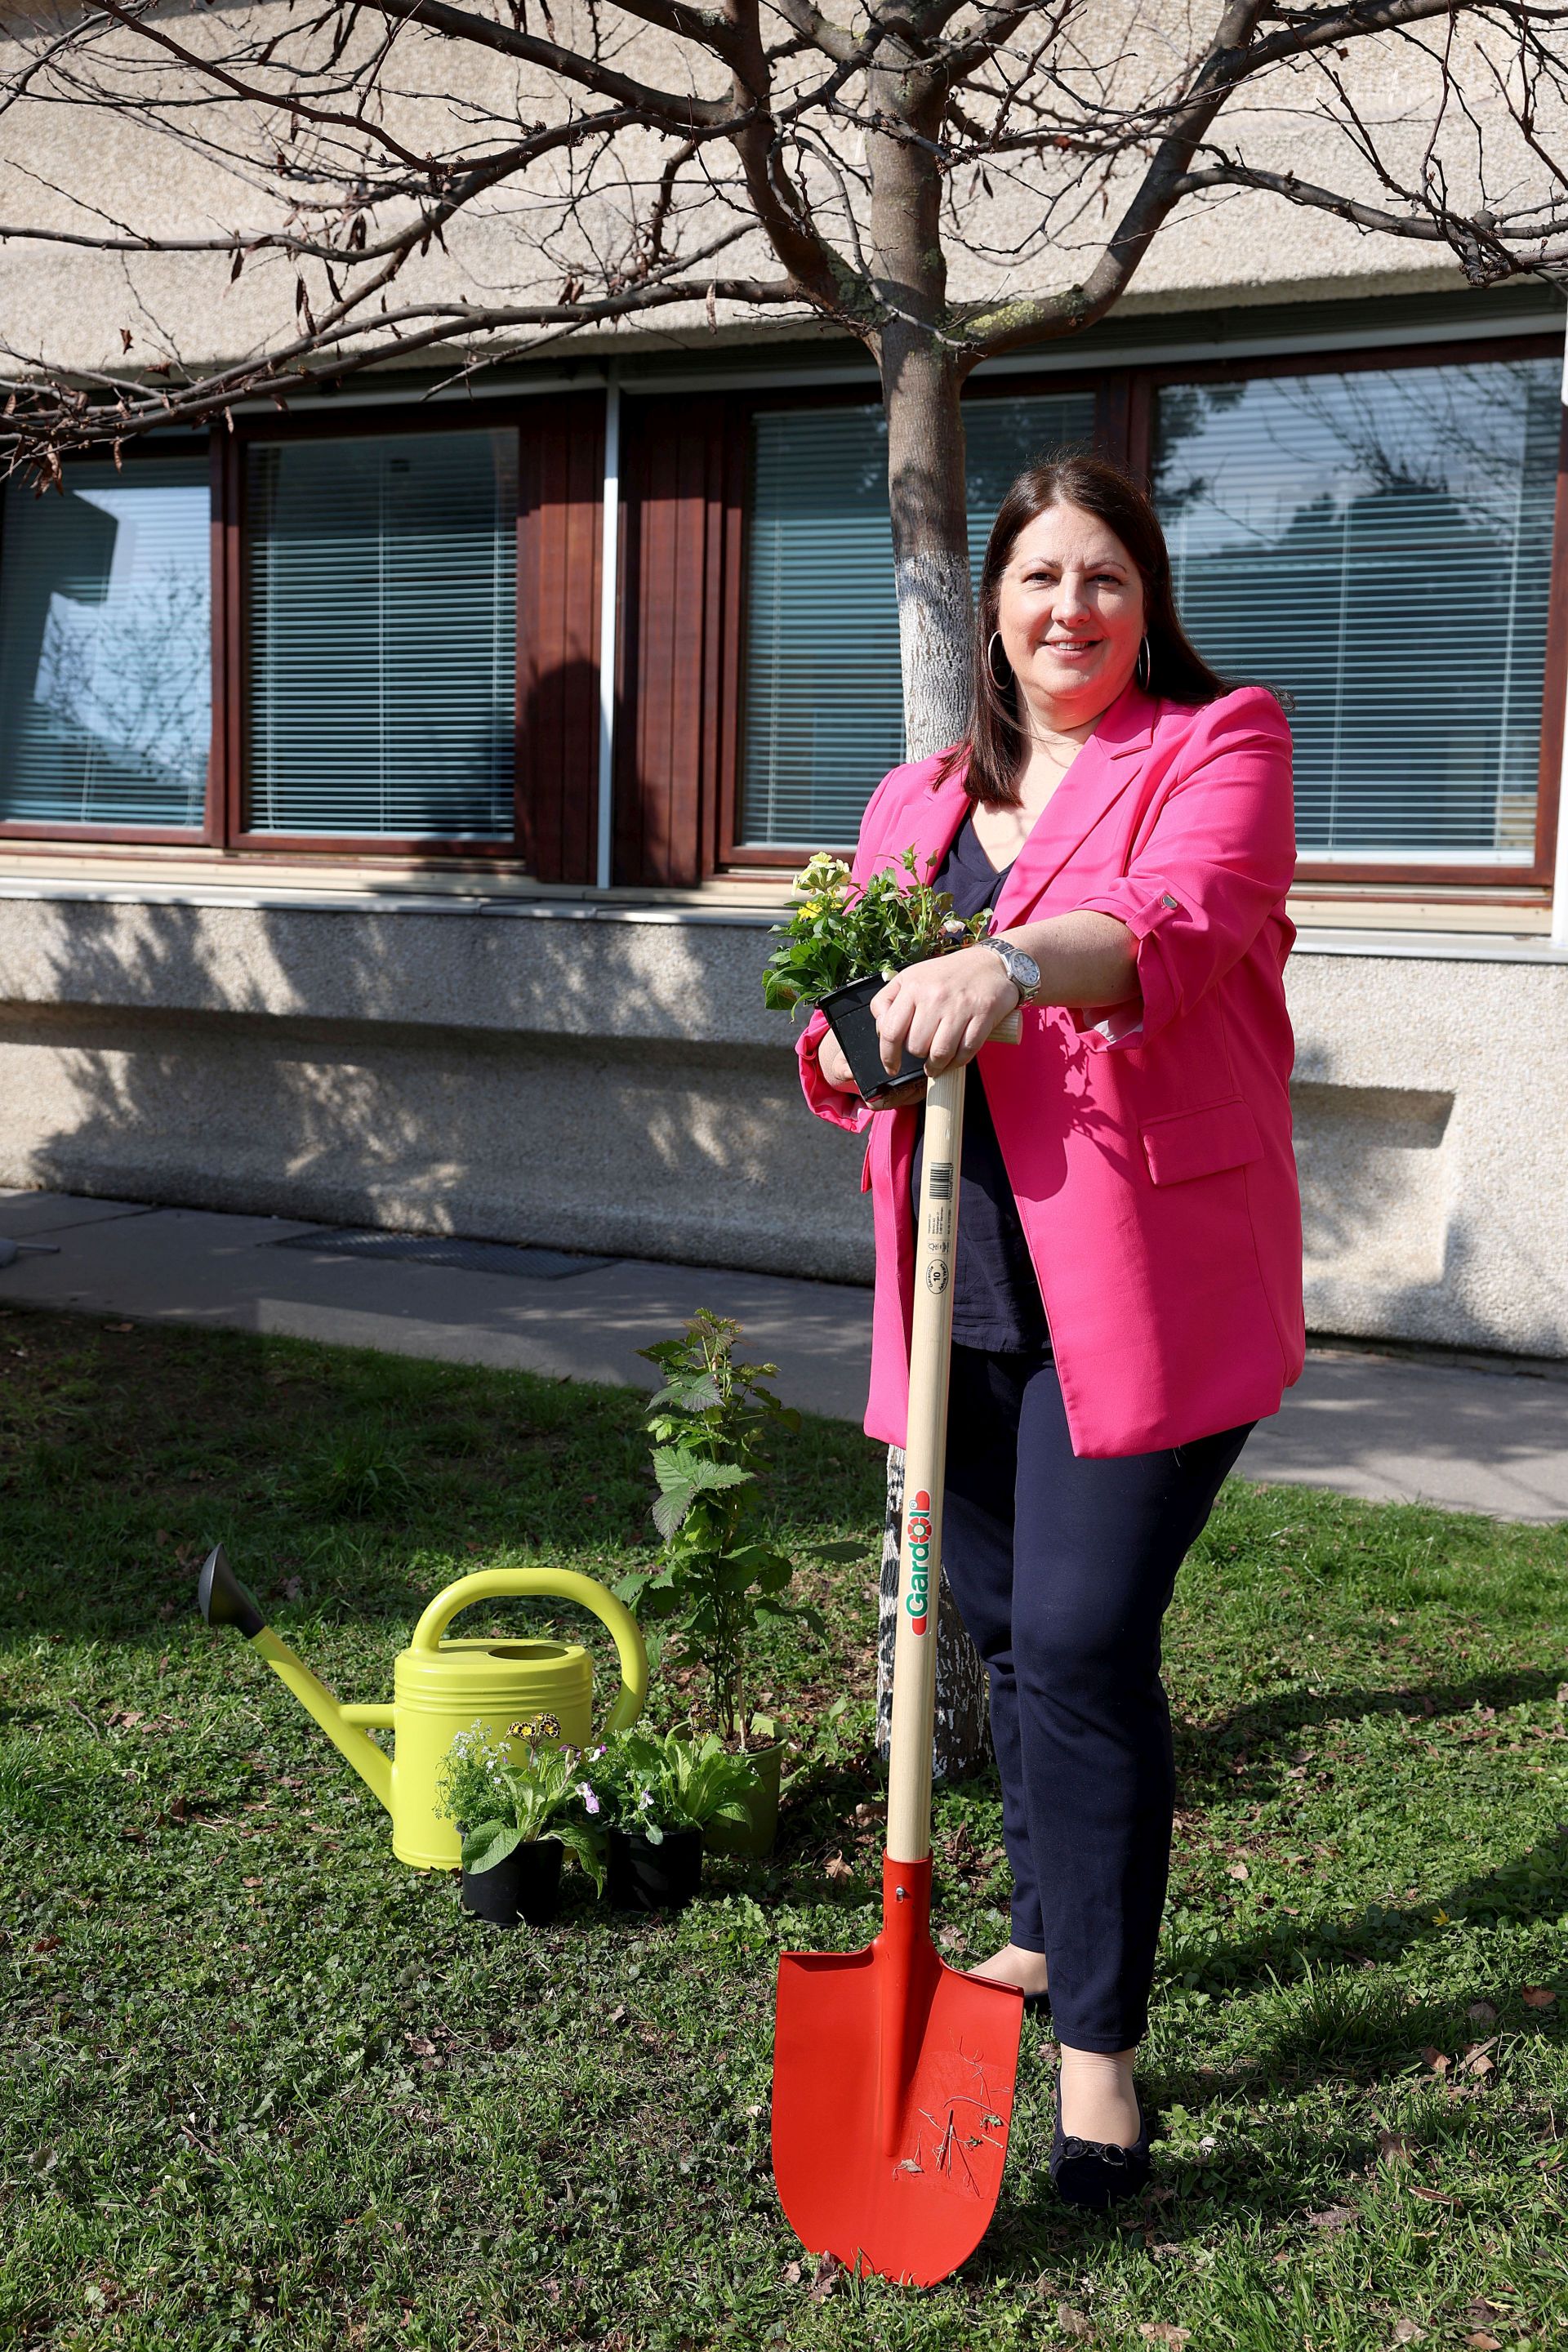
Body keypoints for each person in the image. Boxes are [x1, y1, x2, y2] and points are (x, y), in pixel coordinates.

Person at [795, 452, 1303, 2208]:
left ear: (1143, 596)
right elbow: (837, 1019)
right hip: (960, 1279)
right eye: (1038, 579)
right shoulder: (913, 799)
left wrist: (1007, 966)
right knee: (1006, 1635)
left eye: (1102, 577)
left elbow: (1181, 922)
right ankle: (1042, 1922)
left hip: (1148, 1276)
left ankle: (1098, 2060)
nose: (1070, 608)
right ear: (990, 610)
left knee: (1080, 1642)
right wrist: (854, 1042)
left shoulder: (1217, 742)